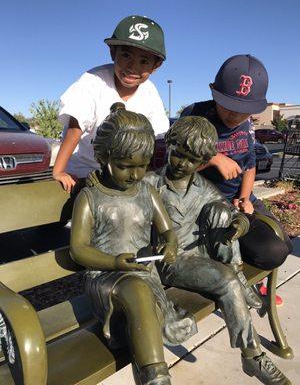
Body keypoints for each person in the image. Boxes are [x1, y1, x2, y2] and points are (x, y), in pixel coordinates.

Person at [146, 116, 291, 385]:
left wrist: (239, 223)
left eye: (191, 161)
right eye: (177, 154)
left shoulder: (202, 187)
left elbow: (230, 212)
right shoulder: (150, 185)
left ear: (202, 164)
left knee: (220, 212)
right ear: (169, 146)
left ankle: (236, 275)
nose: (181, 164)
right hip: (173, 259)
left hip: (202, 253)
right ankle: (252, 356)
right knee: (225, 280)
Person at [70, 103, 196, 385]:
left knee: (140, 288)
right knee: (137, 289)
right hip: (104, 277)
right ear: (104, 158)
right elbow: (78, 250)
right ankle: (156, 377)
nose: (135, 175)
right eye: (125, 166)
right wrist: (114, 262)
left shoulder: (147, 192)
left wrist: (170, 246)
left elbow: (168, 232)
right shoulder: (90, 198)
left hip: (142, 274)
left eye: (142, 166)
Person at [181, 54, 293, 278]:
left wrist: (244, 198)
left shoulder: (246, 124)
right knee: (266, 251)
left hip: (239, 201)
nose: (236, 114)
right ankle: (225, 266)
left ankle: (243, 266)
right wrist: (212, 156)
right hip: (204, 206)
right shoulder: (194, 116)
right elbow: (176, 170)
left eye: (245, 109)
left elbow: (249, 165)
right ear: (213, 90)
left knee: (283, 245)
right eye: (229, 105)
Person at [53, 15, 169, 193]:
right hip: (84, 171)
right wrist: (59, 171)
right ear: (113, 52)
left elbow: (158, 139)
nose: (133, 67)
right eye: (126, 55)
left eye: (144, 61)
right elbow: (76, 126)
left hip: (123, 174)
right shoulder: (93, 81)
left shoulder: (150, 92)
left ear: (156, 65)